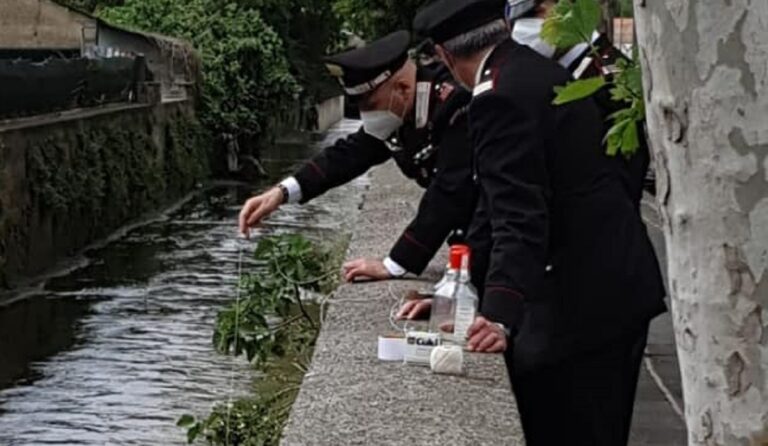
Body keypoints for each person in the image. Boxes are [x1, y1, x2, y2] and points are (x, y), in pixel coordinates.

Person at [414, 1, 666, 445]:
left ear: (445, 56)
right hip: (614, 286)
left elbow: (517, 213)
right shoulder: (531, 71)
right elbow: (493, 208)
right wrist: (459, 289)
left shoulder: (499, 97)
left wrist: (497, 316)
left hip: (584, 304)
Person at [238, 31, 476, 283]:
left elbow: (450, 190)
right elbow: (348, 155)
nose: (366, 116)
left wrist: (395, 263)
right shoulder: (402, 107)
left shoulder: (453, 104)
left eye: (370, 106)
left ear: (403, 89)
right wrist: (281, 193)